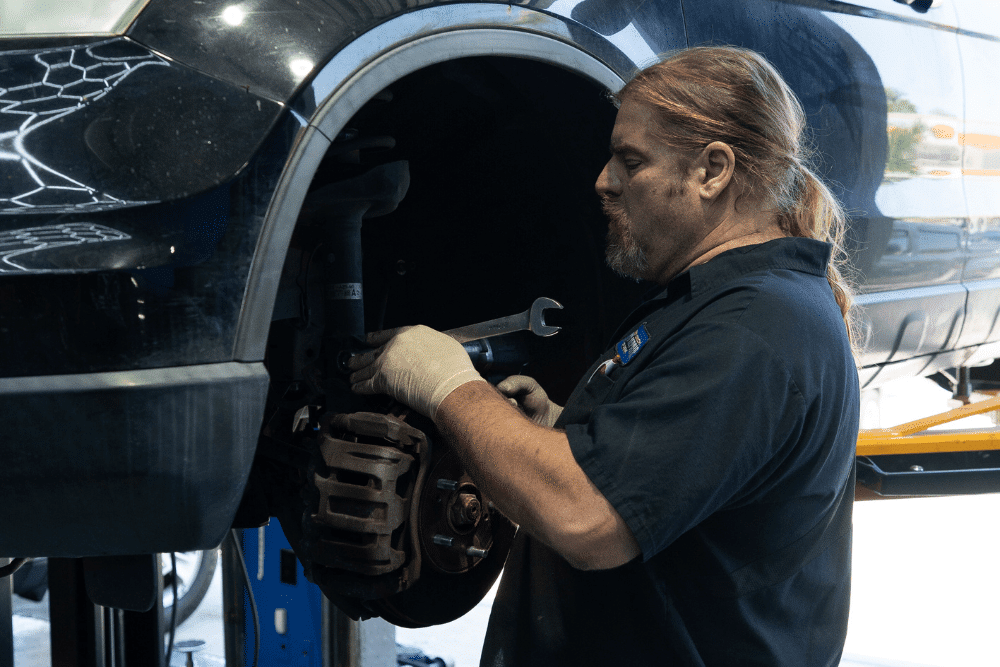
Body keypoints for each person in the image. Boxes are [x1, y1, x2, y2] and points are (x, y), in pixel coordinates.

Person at [347, 46, 860, 666]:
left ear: (713, 170)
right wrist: (561, 434)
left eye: (631, 160)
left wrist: (446, 383)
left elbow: (587, 517)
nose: (603, 180)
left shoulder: (753, 325)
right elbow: (686, 469)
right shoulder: (734, 303)